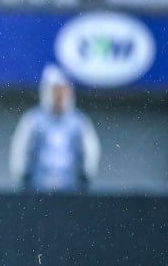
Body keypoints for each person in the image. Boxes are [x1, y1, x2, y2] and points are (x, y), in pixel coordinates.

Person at [9, 64, 101, 192]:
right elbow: (21, 149)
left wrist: (86, 176)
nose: (59, 95)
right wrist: (22, 177)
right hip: (38, 190)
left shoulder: (79, 122)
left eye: (63, 90)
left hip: (71, 190)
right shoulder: (33, 120)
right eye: (55, 90)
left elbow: (90, 152)